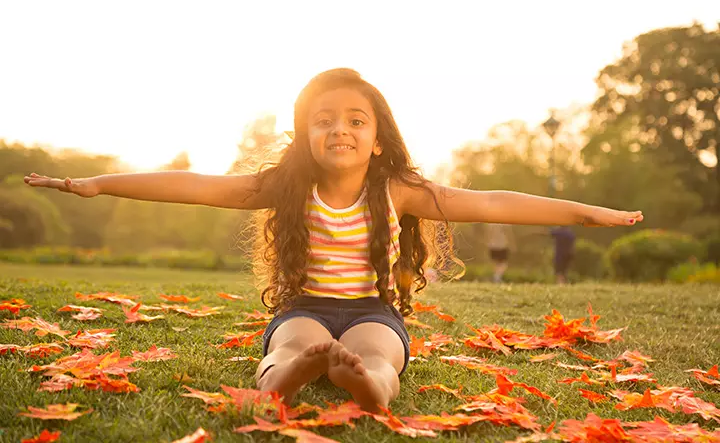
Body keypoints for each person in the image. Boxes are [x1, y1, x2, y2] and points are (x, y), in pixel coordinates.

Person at [24, 68, 643, 412]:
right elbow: (194, 185)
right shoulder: (282, 187)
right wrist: (98, 183)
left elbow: (490, 202)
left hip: (372, 310)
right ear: (304, 137)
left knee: (379, 350)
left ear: (377, 138)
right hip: (306, 307)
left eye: (354, 120)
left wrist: (587, 211)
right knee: (294, 340)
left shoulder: (396, 189)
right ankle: (285, 378)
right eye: (322, 121)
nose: (338, 129)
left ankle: (369, 385)